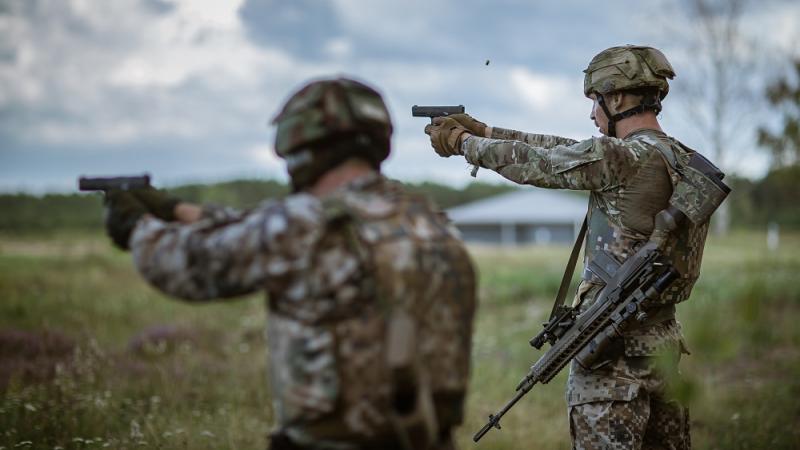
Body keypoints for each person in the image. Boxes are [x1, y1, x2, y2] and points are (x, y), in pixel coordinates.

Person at [103, 77, 477, 450]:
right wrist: (176, 210)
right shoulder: (428, 221)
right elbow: (266, 229)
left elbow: (187, 265)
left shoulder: (304, 226)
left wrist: (137, 227)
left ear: (300, 147)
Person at [423, 45, 727, 449]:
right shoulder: (677, 158)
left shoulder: (621, 157)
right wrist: (484, 131)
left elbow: (537, 163)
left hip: (611, 357)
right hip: (663, 350)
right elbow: (558, 147)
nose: (592, 114)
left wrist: (462, 144)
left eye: (595, 101)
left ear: (616, 97)